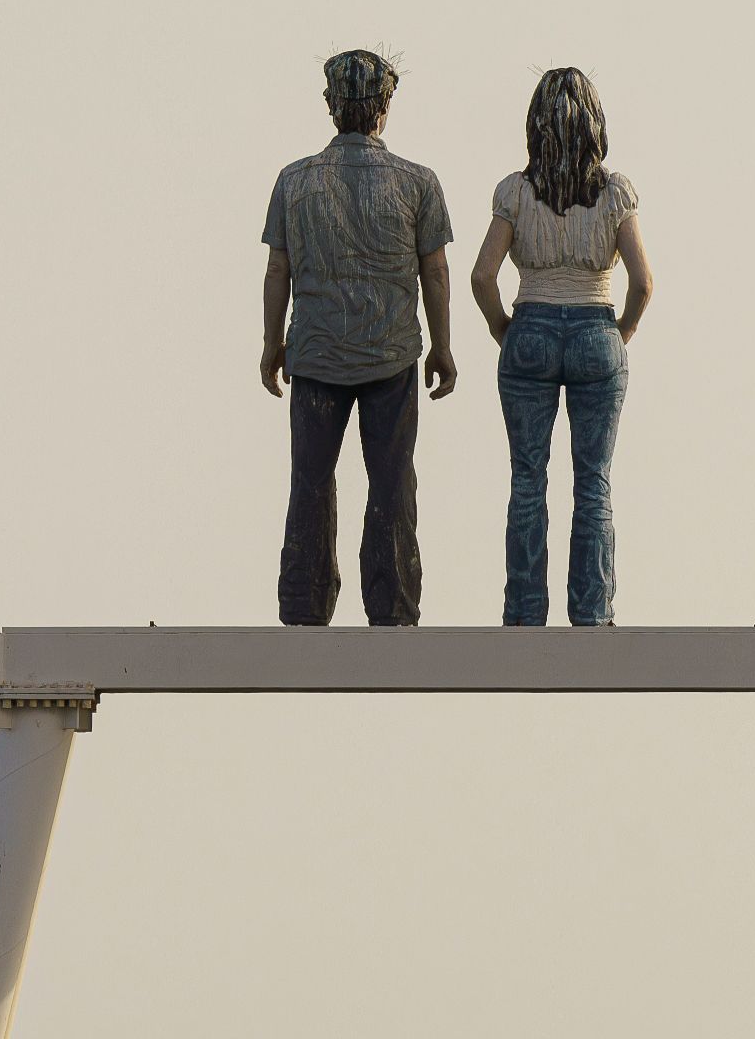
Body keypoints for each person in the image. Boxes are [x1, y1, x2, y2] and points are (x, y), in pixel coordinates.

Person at [261, 49, 458, 626]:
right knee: (392, 485)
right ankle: (392, 610)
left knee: (310, 484)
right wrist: (442, 346)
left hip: (315, 355)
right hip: (391, 356)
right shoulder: (418, 182)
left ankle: (304, 606)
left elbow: (277, 270)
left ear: (331, 106)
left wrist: (272, 344)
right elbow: (436, 272)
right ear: (384, 109)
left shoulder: (294, 180)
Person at [469, 67, 654, 626]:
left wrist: (504, 330)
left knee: (527, 479)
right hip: (597, 327)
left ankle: (525, 614)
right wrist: (620, 333)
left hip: (530, 326)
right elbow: (643, 283)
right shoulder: (615, 193)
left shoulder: (515, 192)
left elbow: (482, 276)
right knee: (593, 483)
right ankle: (592, 614)